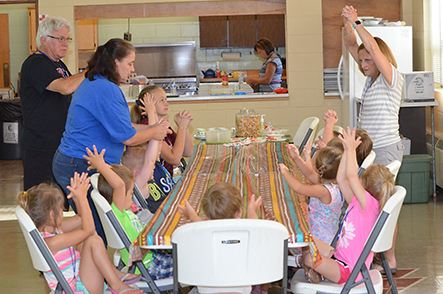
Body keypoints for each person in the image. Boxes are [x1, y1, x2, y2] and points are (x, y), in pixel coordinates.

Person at [52, 38, 171, 245]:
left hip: (76, 161)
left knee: (91, 224)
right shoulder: (105, 88)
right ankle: (87, 269)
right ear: (116, 62)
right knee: (96, 229)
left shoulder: (95, 82)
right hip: (78, 162)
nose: (132, 69)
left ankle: (79, 261)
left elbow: (121, 128)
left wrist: (153, 129)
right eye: (129, 63)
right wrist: (154, 132)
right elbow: (127, 137)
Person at [342, 5, 403, 272]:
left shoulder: (391, 77)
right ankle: (372, 254)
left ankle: (389, 258)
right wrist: (347, 24)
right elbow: (352, 46)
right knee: (368, 204)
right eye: (362, 61)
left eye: (368, 61)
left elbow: (374, 50)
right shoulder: (370, 79)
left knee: (384, 206)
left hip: (387, 150)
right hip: (370, 151)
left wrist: (357, 22)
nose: (363, 64)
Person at [294, 127, 394, 284]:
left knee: (307, 258)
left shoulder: (369, 205)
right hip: (338, 256)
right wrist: (347, 151)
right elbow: (341, 179)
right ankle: (315, 270)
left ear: (364, 183)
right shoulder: (358, 202)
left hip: (349, 270)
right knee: (304, 238)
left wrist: (351, 149)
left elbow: (352, 176)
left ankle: (313, 269)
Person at [18, 173, 143, 294]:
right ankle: (116, 283)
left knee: (88, 237)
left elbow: (80, 218)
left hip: (77, 282)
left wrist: (77, 198)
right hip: (76, 289)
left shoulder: (52, 233)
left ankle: (114, 275)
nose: (63, 211)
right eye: (61, 209)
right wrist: (83, 198)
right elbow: (88, 229)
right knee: (93, 240)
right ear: (52, 215)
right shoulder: (52, 242)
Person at [84, 145, 173, 279]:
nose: (132, 198)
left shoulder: (126, 212)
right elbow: (119, 185)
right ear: (118, 195)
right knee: (193, 261)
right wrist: (101, 165)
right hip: (151, 267)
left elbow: (120, 184)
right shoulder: (119, 213)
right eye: (131, 194)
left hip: (152, 260)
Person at [20, 16, 85, 191]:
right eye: (60, 39)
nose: (65, 43)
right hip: (41, 147)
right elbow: (64, 87)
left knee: (59, 199)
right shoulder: (36, 63)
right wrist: (91, 71)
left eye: (67, 39)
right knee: (42, 200)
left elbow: (73, 89)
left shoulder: (59, 64)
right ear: (44, 40)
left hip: (59, 143)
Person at [179, 182, 262, 294]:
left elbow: (200, 227)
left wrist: (191, 215)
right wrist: (252, 211)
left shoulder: (200, 235)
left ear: (207, 215)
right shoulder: (248, 235)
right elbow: (255, 227)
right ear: (239, 212)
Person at [280, 146, 344, 245]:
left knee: (284, 232)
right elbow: (309, 174)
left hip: (318, 239)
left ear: (316, 167)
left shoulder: (323, 190)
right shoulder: (337, 185)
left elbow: (299, 188)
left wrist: (285, 172)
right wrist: (297, 157)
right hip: (327, 235)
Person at [131, 86, 194, 176]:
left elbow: (187, 152)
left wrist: (184, 125)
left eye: (166, 99)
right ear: (149, 104)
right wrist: (182, 127)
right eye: (162, 100)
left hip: (165, 180)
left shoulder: (163, 124)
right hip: (155, 184)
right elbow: (175, 159)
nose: (167, 104)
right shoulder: (146, 126)